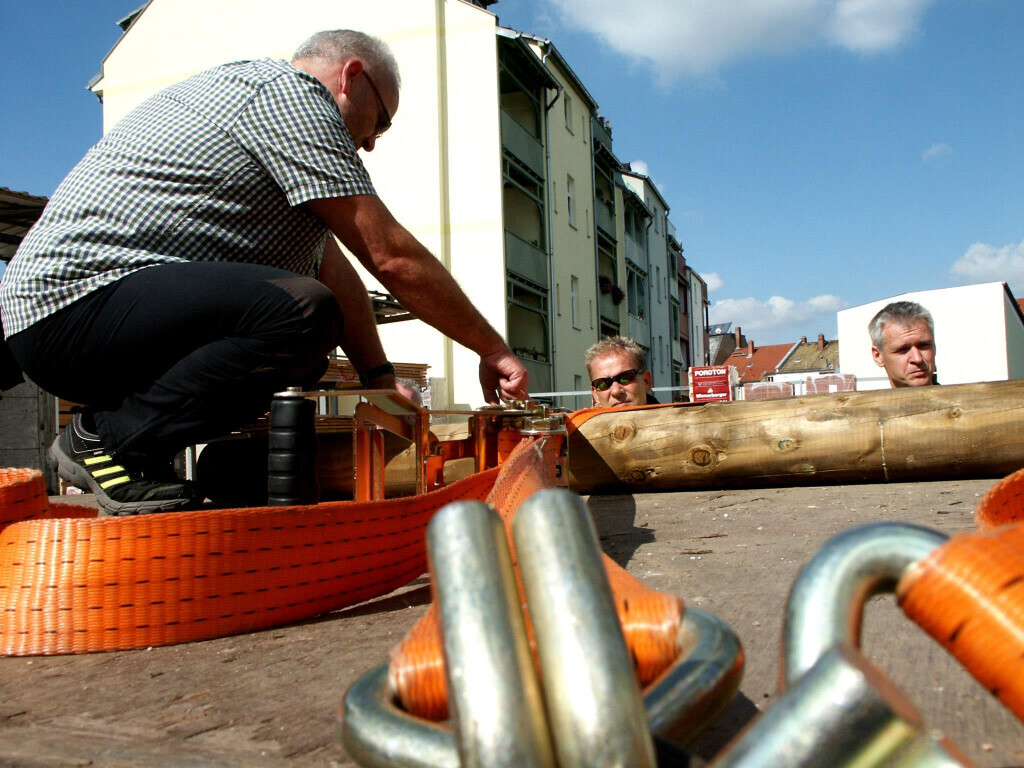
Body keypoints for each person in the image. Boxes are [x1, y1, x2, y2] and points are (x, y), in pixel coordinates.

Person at [0, 30, 527, 516]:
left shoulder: (276, 137)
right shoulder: (290, 97)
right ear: (351, 76)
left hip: (93, 318)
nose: (371, 143)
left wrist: (379, 381)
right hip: (70, 306)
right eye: (381, 122)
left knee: (299, 346)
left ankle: (141, 459)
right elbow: (388, 254)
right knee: (299, 314)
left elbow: (333, 264)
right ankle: (108, 440)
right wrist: (492, 348)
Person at [868, 301, 937, 388]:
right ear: (878, 356)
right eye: (903, 350)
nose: (917, 359)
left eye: (924, 346)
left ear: (934, 346)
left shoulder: (957, 401)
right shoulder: (861, 402)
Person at [585, 336, 658, 407]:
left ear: (647, 381)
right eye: (603, 384)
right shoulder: (577, 419)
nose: (616, 391)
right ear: (595, 395)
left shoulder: (669, 418)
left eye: (625, 378)